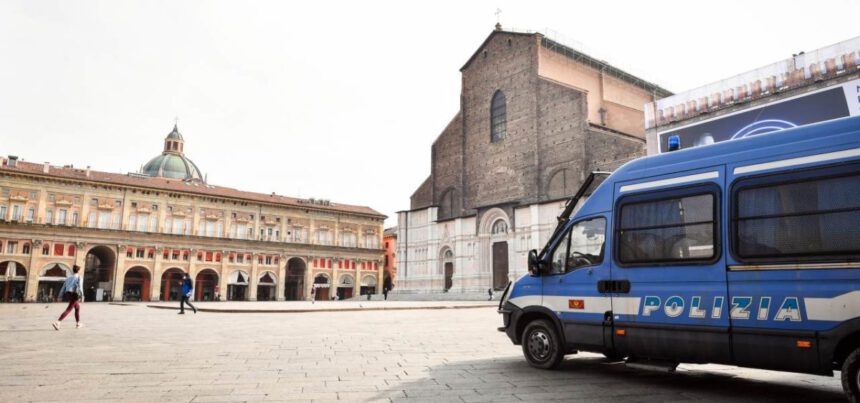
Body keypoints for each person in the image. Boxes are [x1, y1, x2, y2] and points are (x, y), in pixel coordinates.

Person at [52, 265, 84, 330]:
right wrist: (82, 295)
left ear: (73, 270)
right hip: (75, 294)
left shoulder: (68, 278)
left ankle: (78, 323)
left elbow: (63, 287)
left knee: (77, 307)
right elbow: (80, 287)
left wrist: (60, 296)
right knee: (69, 309)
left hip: (68, 293)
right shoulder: (79, 277)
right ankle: (58, 322)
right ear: (79, 270)